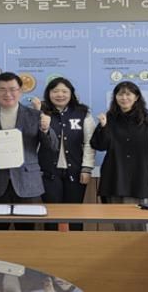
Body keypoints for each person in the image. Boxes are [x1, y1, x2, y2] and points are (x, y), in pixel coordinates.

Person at [0, 72, 57, 230]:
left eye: (12, 89)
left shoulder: (35, 115)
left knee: (26, 233)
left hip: (27, 182)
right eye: (2, 89)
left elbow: (52, 146)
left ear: (20, 91)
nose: (8, 94)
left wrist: (46, 130)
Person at [90, 81, 148, 231]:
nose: (124, 98)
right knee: (120, 224)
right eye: (120, 94)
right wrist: (103, 127)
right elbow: (99, 145)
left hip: (141, 179)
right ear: (115, 97)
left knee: (142, 224)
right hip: (115, 178)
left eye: (128, 94)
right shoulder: (109, 118)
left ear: (136, 97)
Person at [31, 77, 96, 231]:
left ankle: (74, 243)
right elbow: (32, 141)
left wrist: (87, 168)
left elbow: (90, 142)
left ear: (71, 93)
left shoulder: (82, 113)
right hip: (47, 171)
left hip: (76, 171)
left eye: (64, 91)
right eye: (55, 91)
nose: (60, 95)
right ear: (49, 93)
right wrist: (36, 113)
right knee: (51, 213)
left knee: (74, 213)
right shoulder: (41, 111)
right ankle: (53, 244)